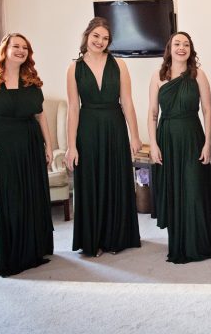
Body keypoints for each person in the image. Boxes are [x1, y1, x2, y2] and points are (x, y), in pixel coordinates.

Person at [0, 33, 54, 277]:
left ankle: (31, 251)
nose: (20, 50)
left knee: (30, 197)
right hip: (1, 148)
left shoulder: (32, 81)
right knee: (7, 199)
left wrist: (48, 146)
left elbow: (40, 116)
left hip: (30, 146)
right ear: (4, 49)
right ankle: (5, 253)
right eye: (15, 46)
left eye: (25, 48)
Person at [65, 17, 142, 257]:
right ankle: (93, 240)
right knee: (91, 182)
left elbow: (127, 102)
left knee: (116, 179)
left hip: (114, 127)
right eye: (96, 36)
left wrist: (135, 136)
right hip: (87, 131)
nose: (100, 41)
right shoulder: (74, 68)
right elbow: (73, 109)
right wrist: (70, 146)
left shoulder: (119, 64)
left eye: (105, 38)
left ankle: (116, 238)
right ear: (87, 35)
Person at [147, 31, 211, 263]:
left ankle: (199, 240)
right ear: (169, 48)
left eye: (186, 44)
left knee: (193, 188)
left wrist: (208, 143)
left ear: (191, 50)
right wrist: (153, 144)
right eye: (177, 44)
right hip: (167, 138)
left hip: (192, 136)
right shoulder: (158, 77)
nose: (182, 47)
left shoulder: (198, 75)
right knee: (174, 190)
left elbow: (208, 111)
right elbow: (152, 114)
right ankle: (179, 239)